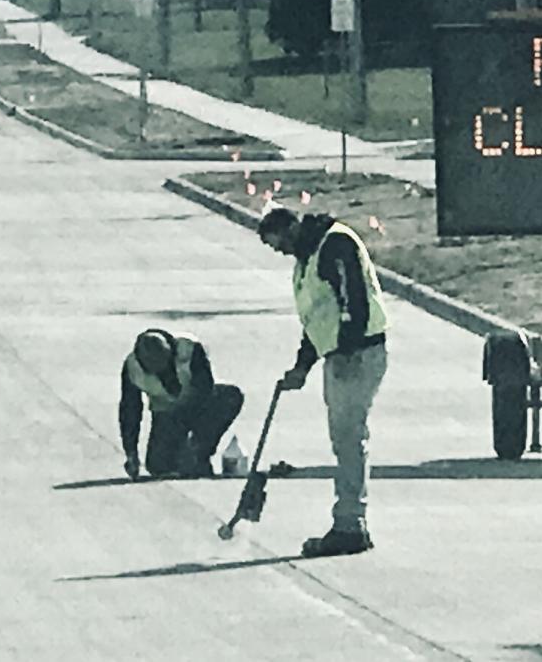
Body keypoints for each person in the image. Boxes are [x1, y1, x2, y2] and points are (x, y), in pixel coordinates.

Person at [258, 205, 389, 558]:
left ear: (292, 228)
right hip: (341, 354)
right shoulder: (308, 258)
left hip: (359, 353)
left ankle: (350, 525)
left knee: (349, 437)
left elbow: (354, 302)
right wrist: (302, 367)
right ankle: (351, 521)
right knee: (344, 437)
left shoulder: (336, 245)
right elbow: (319, 317)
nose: (281, 251)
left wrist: (346, 351)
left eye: (280, 244)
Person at [119, 328, 244, 480]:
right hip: (166, 414)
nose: (163, 373)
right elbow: (130, 411)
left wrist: (194, 441)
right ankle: (186, 458)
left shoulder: (190, 348)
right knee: (157, 466)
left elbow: (205, 389)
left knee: (230, 397)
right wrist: (131, 454)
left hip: (196, 402)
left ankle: (199, 453)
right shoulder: (132, 368)